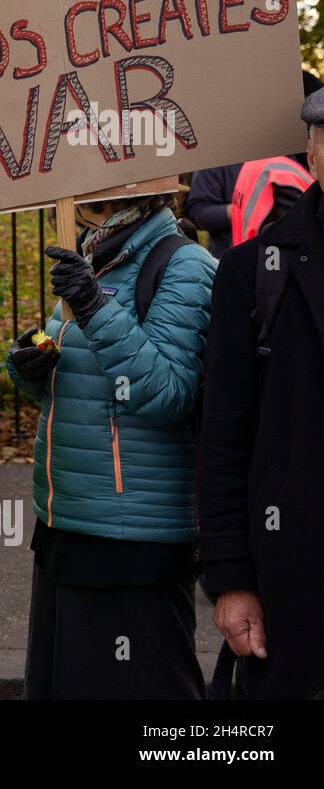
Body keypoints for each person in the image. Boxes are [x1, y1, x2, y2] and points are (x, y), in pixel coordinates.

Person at [7, 186, 215, 699]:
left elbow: (168, 392)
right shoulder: (90, 255)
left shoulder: (185, 266)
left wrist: (93, 306)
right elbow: (87, 384)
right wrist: (31, 368)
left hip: (133, 539)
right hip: (65, 524)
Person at [196, 88, 324, 699]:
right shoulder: (253, 272)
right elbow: (223, 433)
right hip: (292, 586)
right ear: (311, 149)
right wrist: (231, 579)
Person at [187, 70, 321, 258]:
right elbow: (198, 212)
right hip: (238, 260)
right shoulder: (219, 155)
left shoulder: (295, 155)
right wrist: (248, 209)